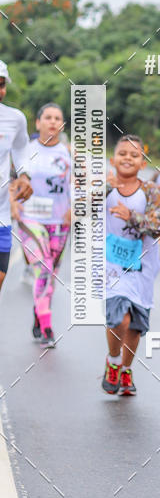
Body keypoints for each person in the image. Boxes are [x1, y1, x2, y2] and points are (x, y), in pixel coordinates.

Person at [102, 134, 160, 396]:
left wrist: (132, 217)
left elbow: (158, 225)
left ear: (142, 163)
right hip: (112, 266)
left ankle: (126, 370)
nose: (127, 157)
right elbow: (80, 210)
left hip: (142, 267)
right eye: (122, 153)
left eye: (134, 155)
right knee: (120, 319)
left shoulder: (150, 191)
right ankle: (113, 361)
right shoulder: (104, 187)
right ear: (112, 159)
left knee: (136, 325)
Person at [12, 103, 71, 346]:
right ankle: (47, 327)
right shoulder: (25, 151)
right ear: (38, 123)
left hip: (59, 223)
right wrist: (14, 205)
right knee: (44, 269)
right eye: (48, 117)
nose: (53, 122)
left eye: (58, 118)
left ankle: (39, 314)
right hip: (31, 220)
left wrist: (73, 208)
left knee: (50, 274)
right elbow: (12, 180)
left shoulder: (69, 153)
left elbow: (76, 186)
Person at [0, 60, 32, 295]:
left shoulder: (15, 118)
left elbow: (21, 148)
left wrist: (24, 175)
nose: (0, 90)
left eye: (2, 85)